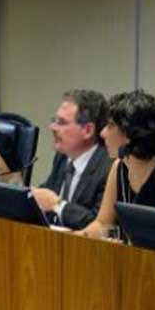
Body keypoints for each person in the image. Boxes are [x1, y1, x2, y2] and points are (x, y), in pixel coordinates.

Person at [79, 89, 155, 240]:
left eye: (110, 126)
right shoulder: (119, 167)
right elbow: (103, 224)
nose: (102, 133)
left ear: (130, 133)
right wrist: (71, 238)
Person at [31, 89, 111, 229]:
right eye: (54, 120)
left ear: (88, 130)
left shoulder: (108, 167)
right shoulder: (63, 157)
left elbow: (100, 225)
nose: (52, 127)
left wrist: (58, 205)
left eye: (61, 122)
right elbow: (46, 194)